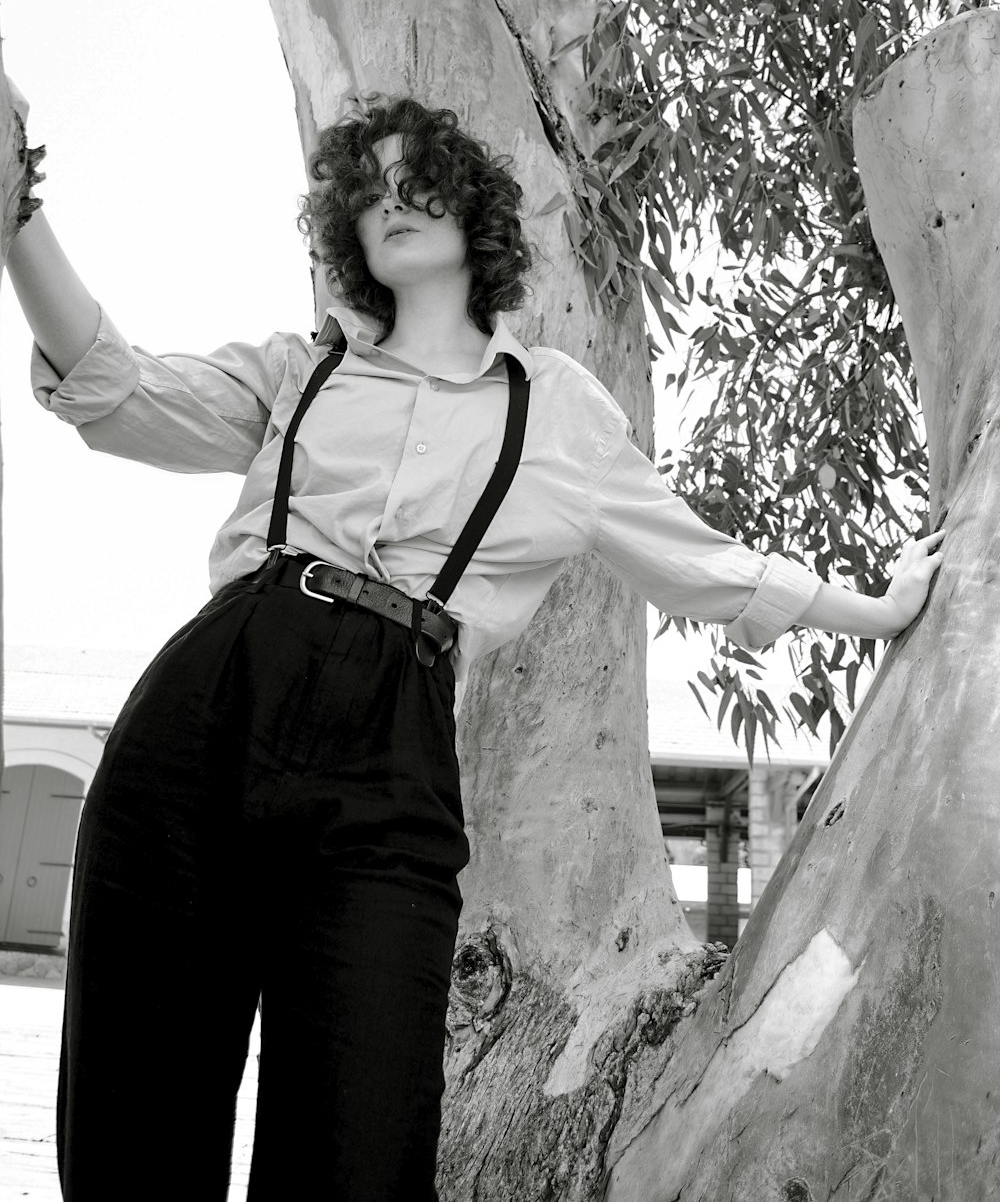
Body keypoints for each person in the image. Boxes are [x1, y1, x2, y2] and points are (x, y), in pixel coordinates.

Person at [4, 90, 944, 1201]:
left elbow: (704, 564)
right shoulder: (298, 372)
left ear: (474, 216)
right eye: (369, 190)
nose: (392, 201)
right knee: (134, 1115)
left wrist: (877, 610)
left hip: (389, 755)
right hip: (208, 706)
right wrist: (19, 210)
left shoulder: (553, 410)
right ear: (343, 230)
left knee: (361, 1138)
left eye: (420, 182)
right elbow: (114, 387)